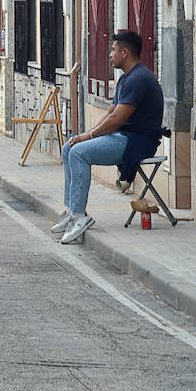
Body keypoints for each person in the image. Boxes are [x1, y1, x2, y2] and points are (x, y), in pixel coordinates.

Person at [52, 30, 168, 245]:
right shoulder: (126, 78)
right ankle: (71, 209)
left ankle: (80, 216)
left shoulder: (140, 79)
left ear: (125, 52)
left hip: (137, 142)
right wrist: (85, 136)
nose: (110, 55)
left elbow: (117, 119)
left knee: (78, 153)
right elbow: (110, 112)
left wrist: (87, 137)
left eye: (113, 50)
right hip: (122, 136)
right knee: (70, 147)